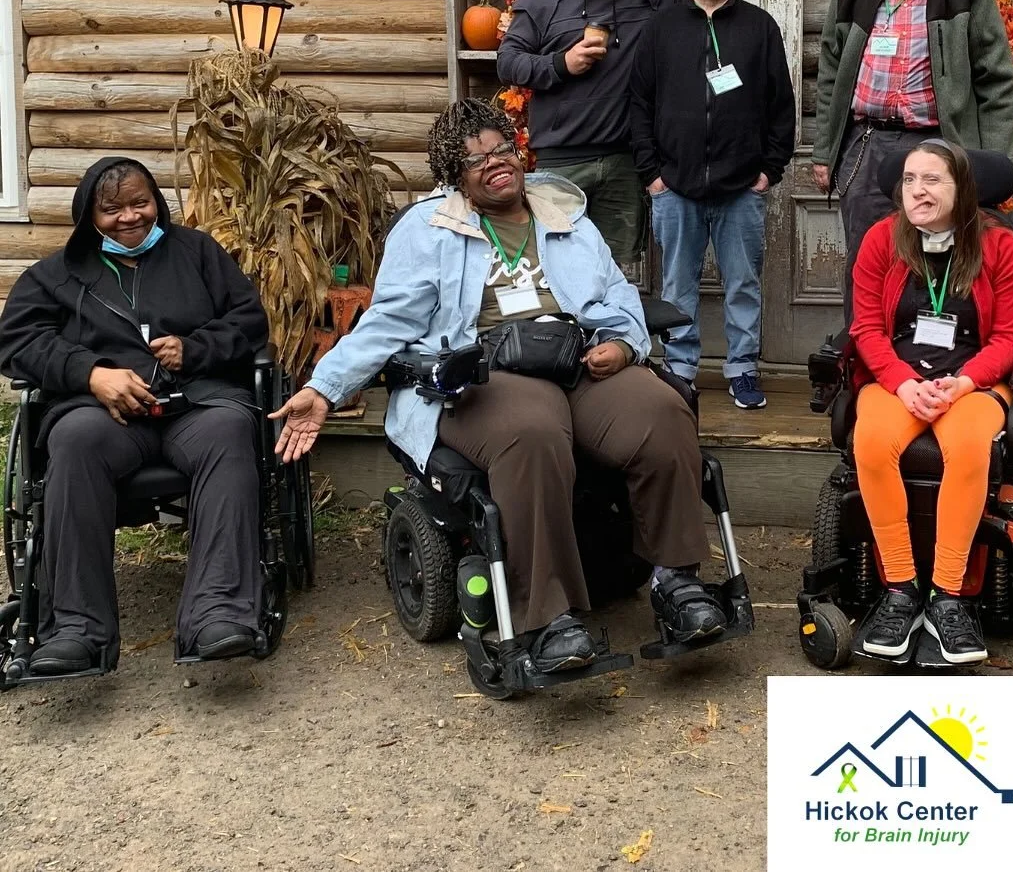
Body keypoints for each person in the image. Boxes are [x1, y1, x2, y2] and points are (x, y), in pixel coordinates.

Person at [271, 99, 725, 672]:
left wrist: (624, 343)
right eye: (476, 159)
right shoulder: (429, 229)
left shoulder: (564, 213)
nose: (496, 163)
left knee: (661, 410)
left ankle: (676, 580)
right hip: (486, 372)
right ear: (453, 176)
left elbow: (617, 291)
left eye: (502, 149)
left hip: (577, 358)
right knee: (530, 432)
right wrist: (325, 388)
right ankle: (549, 617)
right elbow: (388, 320)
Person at [0, 157, 270, 674]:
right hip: (106, 416)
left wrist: (196, 348)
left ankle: (218, 613)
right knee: (74, 439)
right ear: (88, 214)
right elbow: (17, 342)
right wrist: (90, 373)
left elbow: (249, 320)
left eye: (140, 203)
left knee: (230, 429)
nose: (130, 217)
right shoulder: (55, 275)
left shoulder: (197, 254)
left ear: (156, 202)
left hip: (195, 404)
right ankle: (77, 630)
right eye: (112, 209)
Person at [811, 0, 1013, 316]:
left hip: (940, 145)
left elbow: (997, 78)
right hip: (868, 146)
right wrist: (824, 151)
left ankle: (932, 354)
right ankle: (864, 355)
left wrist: (996, 163)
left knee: (940, 263)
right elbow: (830, 71)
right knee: (866, 262)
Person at [849, 140, 1013, 664]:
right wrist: (903, 383)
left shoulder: (1000, 247)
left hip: (971, 382)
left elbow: (1011, 338)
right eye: (909, 180)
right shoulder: (882, 239)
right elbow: (865, 328)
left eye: (932, 180)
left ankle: (948, 596)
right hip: (897, 380)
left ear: (962, 189)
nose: (917, 191)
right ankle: (901, 590)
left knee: (970, 446)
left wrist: (964, 383)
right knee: (871, 441)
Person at [630, 0, 795, 408]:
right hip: (674, 186)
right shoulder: (661, 28)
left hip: (741, 188)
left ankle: (743, 367)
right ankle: (680, 368)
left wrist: (769, 171)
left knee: (742, 283)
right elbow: (639, 104)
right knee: (677, 285)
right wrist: (652, 175)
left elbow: (781, 105)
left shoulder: (759, 27)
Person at [496, 0, 683, 265]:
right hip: (561, 165)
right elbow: (507, 63)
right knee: (557, 267)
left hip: (624, 163)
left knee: (616, 270)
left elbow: (705, 1)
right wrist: (561, 63)